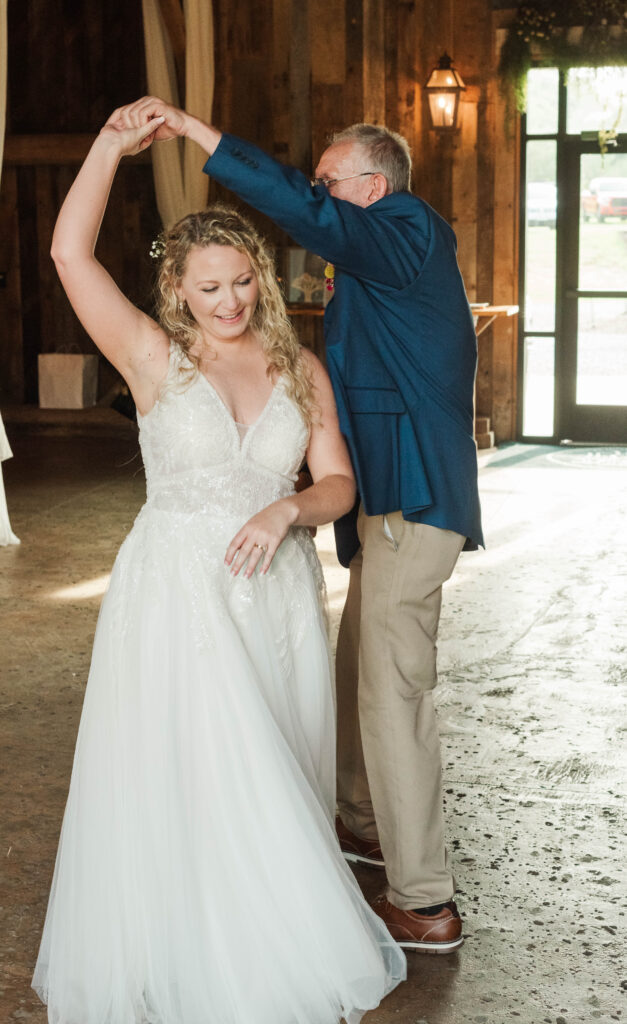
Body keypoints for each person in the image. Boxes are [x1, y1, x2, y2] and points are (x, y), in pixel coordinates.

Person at [32, 104, 406, 1023]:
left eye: (242, 282)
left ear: (262, 279)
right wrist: (108, 147)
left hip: (272, 593)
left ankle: (267, 936)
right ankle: (186, 943)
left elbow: (336, 487)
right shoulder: (154, 357)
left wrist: (287, 507)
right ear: (176, 293)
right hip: (176, 594)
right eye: (209, 289)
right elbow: (70, 256)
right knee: (188, 771)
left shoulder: (298, 369)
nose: (230, 302)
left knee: (272, 767)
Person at [127, 95, 484, 955]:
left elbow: (301, 208)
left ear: (369, 185)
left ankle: (423, 899)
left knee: (390, 691)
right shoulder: (381, 251)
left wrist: (199, 132)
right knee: (361, 662)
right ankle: (363, 824)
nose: (317, 195)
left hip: (416, 499)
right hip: (385, 502)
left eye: (328, 182)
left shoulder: (405, 229)